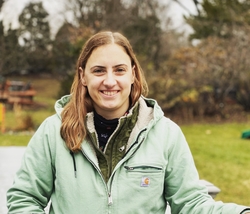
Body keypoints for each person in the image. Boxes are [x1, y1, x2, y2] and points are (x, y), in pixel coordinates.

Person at [7, 31, 250, 214]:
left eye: (120, 70)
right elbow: (24, 200)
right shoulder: (53, 132)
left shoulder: (166, 134)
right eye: (99, 70)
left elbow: (191, 203)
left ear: (133, 74)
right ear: (83, 76)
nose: (109, 81)